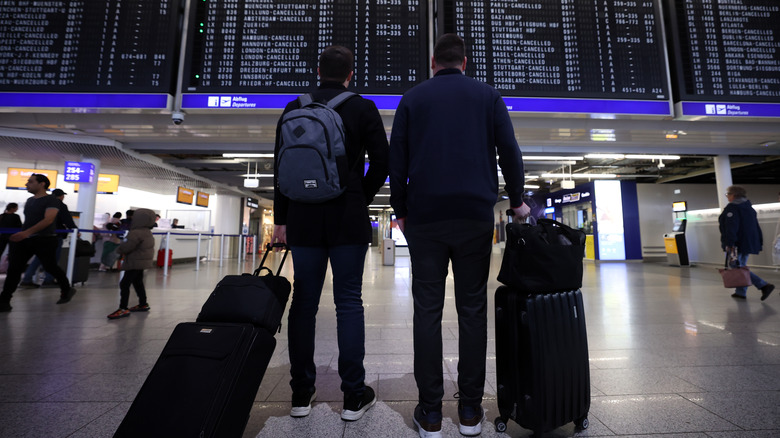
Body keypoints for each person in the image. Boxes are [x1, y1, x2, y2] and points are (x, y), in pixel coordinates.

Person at [389, 34, 530, 437]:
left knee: (427, 311)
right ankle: (470, 411)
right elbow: (509, 150)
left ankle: (430, 413)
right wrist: (516, 199)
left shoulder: (413, 98)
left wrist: (401, 211)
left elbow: (396, 158)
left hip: (425, 220)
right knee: (472, 311)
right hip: (473, 218)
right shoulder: (488, 96)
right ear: (464, 62)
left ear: (433, 62)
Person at [271, 45, 389, 421]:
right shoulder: (362, 107)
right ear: (350, 74)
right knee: (349, 302)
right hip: (347, 218)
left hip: (303, 219)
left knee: (304, 304)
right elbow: (384, 161)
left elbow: (281, 168)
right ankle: (354, 396)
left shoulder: (293, 108)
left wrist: (282, 218)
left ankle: (301, 395)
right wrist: (358, 194)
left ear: (317, 70)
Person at [0, 174, 77, 312]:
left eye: (30, 182)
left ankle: (66, 289)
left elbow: (48, 220)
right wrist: (23, 234)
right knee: (14, 269)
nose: (27, 184)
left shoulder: (52, 200)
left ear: (42, 184)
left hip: (45, 239)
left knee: (50, 267)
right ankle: (4, 301)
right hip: (26, 239)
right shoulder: (30, 200)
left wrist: (26, 233)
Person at [719, 185, 774, 301]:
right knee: (740, 265)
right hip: (748, 243)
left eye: (728, 194)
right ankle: (741, 292)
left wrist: (730, 243)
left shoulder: (732, 208)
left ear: (733, 195)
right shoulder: (749, 208)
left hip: (736, 243)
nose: (727, 197)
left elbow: (731, 227)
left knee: (736, 265)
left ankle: (763, 285)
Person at [19, 188, 77, 287]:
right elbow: (67, 219)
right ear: (61, 196)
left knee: (39, 258)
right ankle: (48, 280)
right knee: (52, 259)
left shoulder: (40, 202)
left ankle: (27, 279)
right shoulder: (60, 205)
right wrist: (75, 229)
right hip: (53, 236)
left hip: (39, 234)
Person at [107, 208, 156, 319]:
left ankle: (123, 308)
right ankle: (143, 303)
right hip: (142, 261)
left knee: (124, 284)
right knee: (138, 282)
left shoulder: (136, 232)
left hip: (135, 261)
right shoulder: (147, 232)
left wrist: (119, 251)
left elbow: (128, 246)